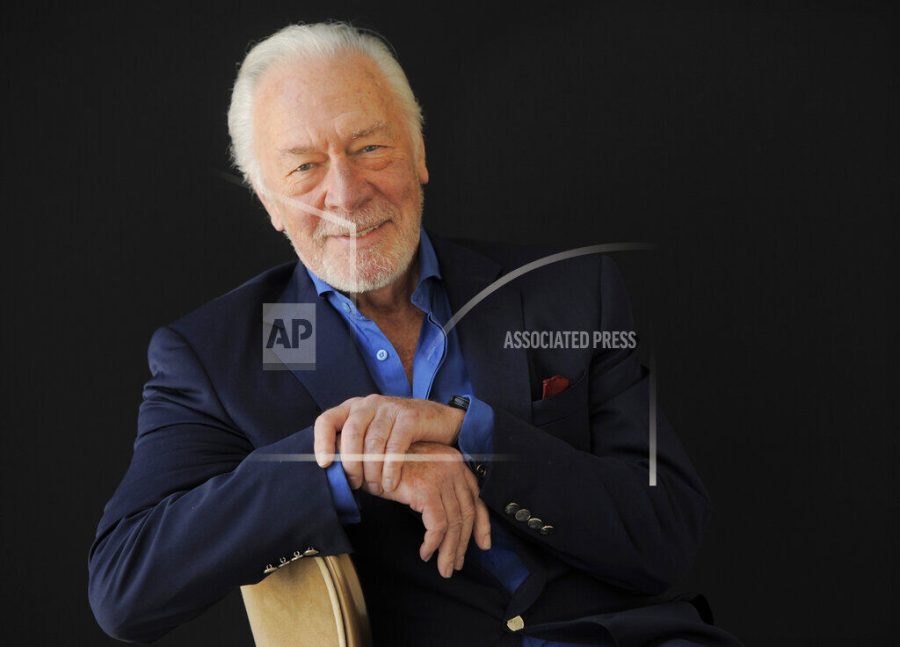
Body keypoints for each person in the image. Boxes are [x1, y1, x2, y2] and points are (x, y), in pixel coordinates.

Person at [88, 22, 742, 646]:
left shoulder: (572, 293)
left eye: (369, 147)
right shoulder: (215, 355)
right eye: (304, 168)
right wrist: (351, 466)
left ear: (419, 153)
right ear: (269, 203)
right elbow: (125, 584)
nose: (344, 194)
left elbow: (667, 532)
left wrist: (472, 435)